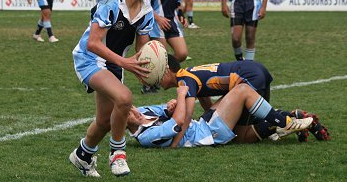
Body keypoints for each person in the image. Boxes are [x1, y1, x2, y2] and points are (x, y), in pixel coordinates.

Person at [69, 0, 154, 177]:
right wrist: (125, 62)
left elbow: (141, 52)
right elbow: (93, 43)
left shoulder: (147, 11)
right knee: (124, 98)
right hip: (88, 58)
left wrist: (149, 68)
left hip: (114, 64)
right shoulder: (109, 5)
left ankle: (83, 155)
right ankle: (118, 153)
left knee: (105, 121)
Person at [127, 84, 314, 147]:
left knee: (235, 90)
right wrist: (180, 96)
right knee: (242, 91)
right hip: (207, 134)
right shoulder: (146, 137)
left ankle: (281, 121)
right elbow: (177, 123)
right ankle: (284, 121)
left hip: (203, 124)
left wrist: (171, 106)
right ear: (120, 122)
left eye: (131, 106)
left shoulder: (144, 111)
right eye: (128, 112)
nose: (135, 110)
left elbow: (171, 111)